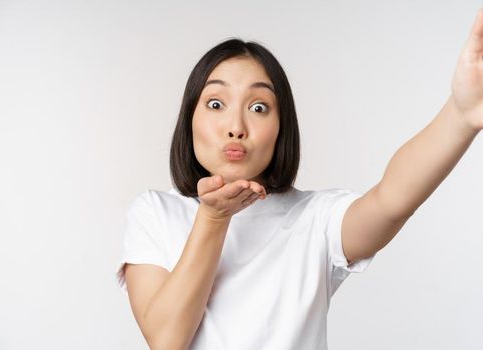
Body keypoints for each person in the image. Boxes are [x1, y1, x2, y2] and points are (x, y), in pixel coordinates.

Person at [115, 9, 483, 350]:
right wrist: (214, 217)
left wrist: (461, 114)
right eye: (216, 104)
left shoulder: (315, 219)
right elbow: (166, 339)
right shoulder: (155, 213)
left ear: (281, 128)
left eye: (259, 107)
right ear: (189, 119)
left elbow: (391, 200)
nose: (236, 127)